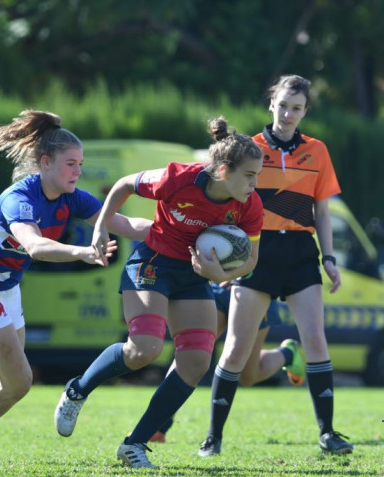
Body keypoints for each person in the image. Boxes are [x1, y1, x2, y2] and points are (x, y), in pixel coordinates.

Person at [0, 110, 152, 465]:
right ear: (45, 162)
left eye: (80, 164)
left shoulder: (72, 197)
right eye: (70, 164)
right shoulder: (18, 198)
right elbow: (35, 246)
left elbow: (126, 224)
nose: (77, 171)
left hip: (5, 291)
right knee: (19, 382)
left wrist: (179, 229)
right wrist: (83, 251)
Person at [54, 117, 264, 469]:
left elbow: (252, 262)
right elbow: (122, 185)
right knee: (144, 350)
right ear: (224, 170)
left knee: (197, 361)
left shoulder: (249, 205)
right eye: (249, 175)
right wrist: (102, 226)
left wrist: (221, 273)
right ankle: (78, 389)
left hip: (194, 276)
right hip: (152, 263)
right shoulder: (178, 178)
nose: (255, 184)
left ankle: (134, 445)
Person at [196, 75, 353, 457]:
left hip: (300, 253)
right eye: (283, 105)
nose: (288, 113)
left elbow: (321, 209)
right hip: (255, 251)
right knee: (234, 349)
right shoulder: (250, 148)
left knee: (316, 341)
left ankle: (328, 433)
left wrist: (329, 259)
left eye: (296, 108)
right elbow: (227, 200)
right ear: (271, 103)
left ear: (305, 112)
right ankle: (213, 438)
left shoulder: (317, 151)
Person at [149, 282, 304, 443]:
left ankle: (287, 354)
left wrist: (246, 271)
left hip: (257, 292)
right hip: (221, 288)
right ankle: (157, 426)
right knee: (189, 355)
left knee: (248, 376)